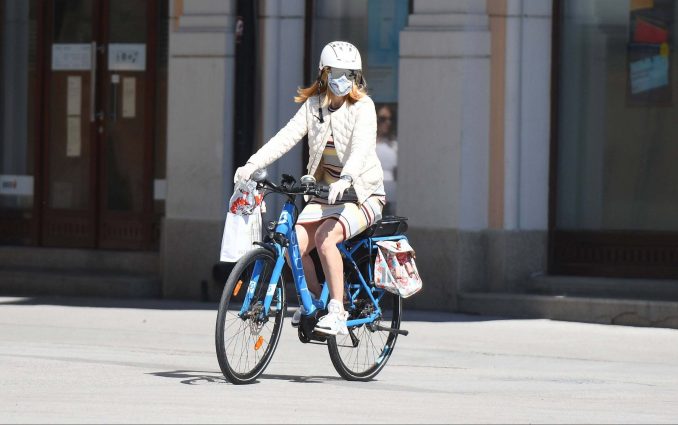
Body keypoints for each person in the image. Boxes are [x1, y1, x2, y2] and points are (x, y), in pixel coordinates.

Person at [233, 41, 386, 335]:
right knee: (293, 246)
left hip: (363, 194)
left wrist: (348, 178)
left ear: (357, 77)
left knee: (327, 239)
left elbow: (362, 148)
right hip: (325, 194)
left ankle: (338, 311)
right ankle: (315, 301)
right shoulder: (313, 106)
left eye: (350, 73)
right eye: (337, 72)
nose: (343, 79)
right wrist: (251, 166)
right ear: (324, 73)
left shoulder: (363, 107)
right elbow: (284, 138)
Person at [375, 104, 398, 215]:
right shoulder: (367, 142)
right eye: (383, 119)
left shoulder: (394, 144)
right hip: (372, 195)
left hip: (391, 198)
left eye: (390, 119)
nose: (387, 123)